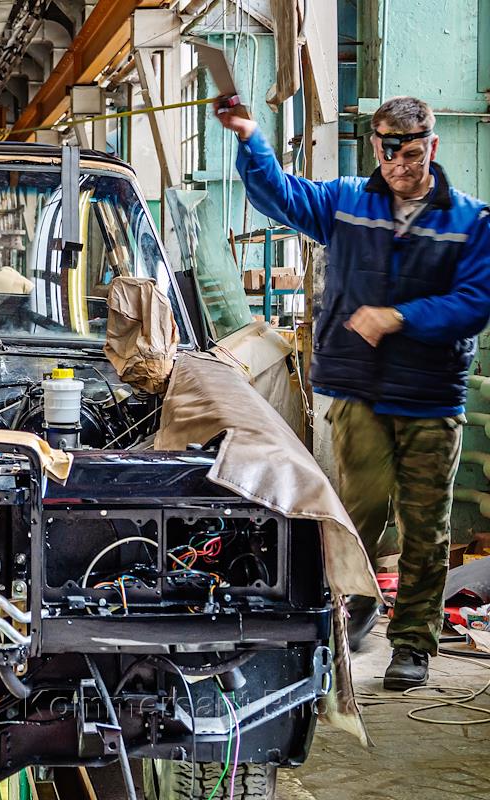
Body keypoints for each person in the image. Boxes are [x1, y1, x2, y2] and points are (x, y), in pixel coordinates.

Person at [215, 95, 490, 689]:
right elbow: (280, 197)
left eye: (413, 155)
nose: (402, 168)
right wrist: (251, 138)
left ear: (432, 147)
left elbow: (474, 303)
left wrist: (398, 317)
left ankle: (414, 642)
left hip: (431, 399)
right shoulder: (347, 203)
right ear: (376, 148)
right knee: (357, 517)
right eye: (391, 155)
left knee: (426, 528)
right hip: (361, 394)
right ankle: (358, 608)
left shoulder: (469, 221)